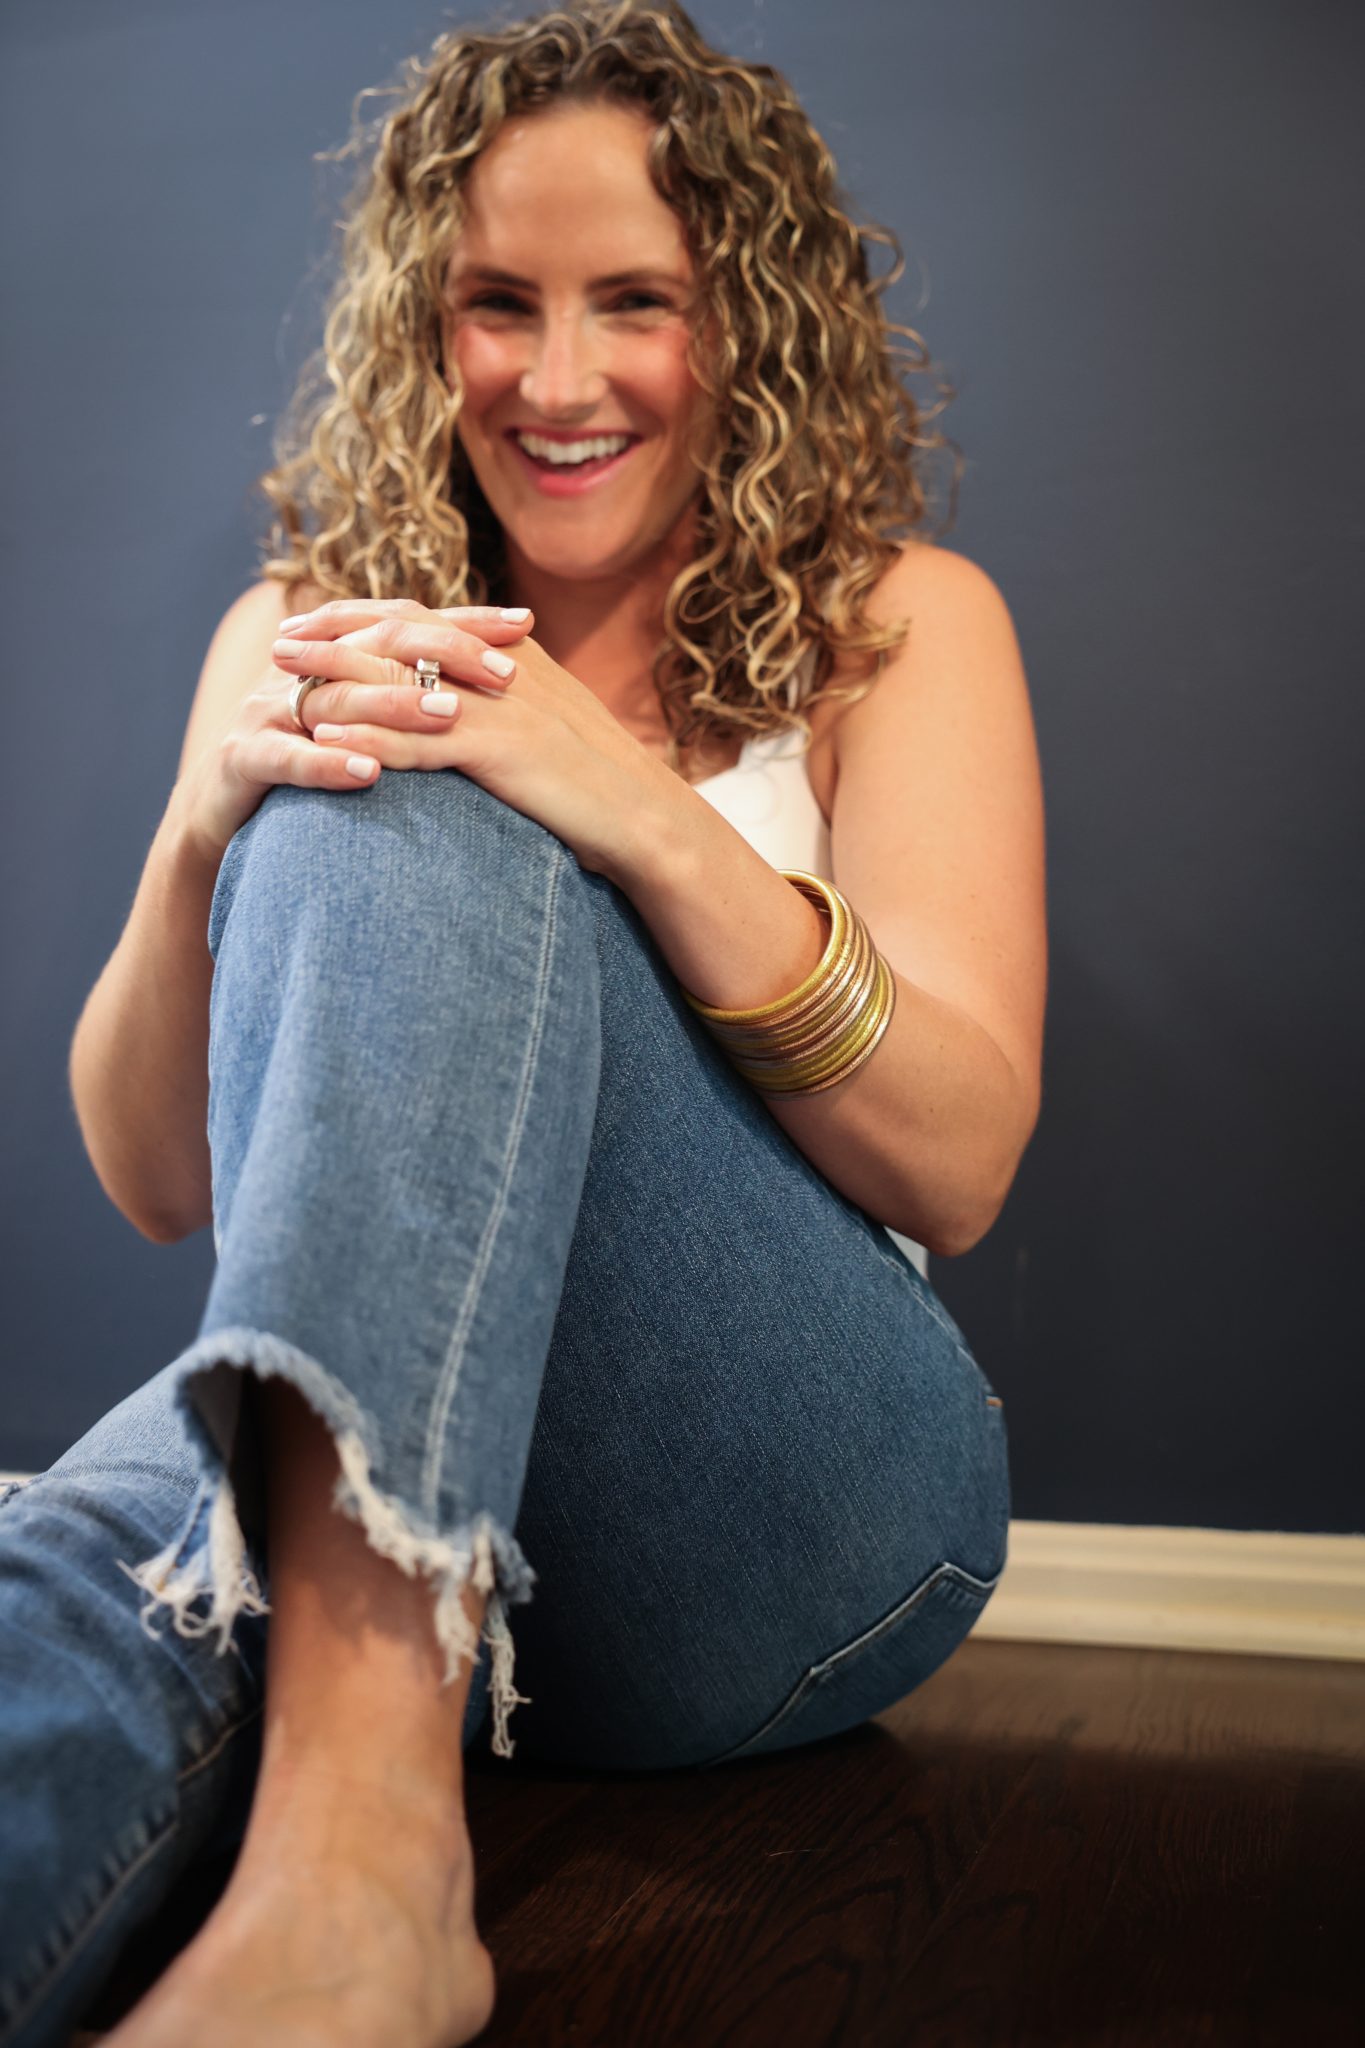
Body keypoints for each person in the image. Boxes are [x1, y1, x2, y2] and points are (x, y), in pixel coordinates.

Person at [0, 3, 1046, 2043]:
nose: (557, 382)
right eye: (498, 304)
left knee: (426, 791)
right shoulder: (299, 625)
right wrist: (201, 834)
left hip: (789, 1521)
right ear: (427, 323)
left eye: (635, 301)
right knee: (80, 1592)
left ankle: (360, 1862)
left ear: (746, 327)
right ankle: (349, 1834)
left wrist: (624, 806)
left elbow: (958, 1160)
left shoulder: (897, 627)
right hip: (376, 1512)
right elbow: (154, 1179)